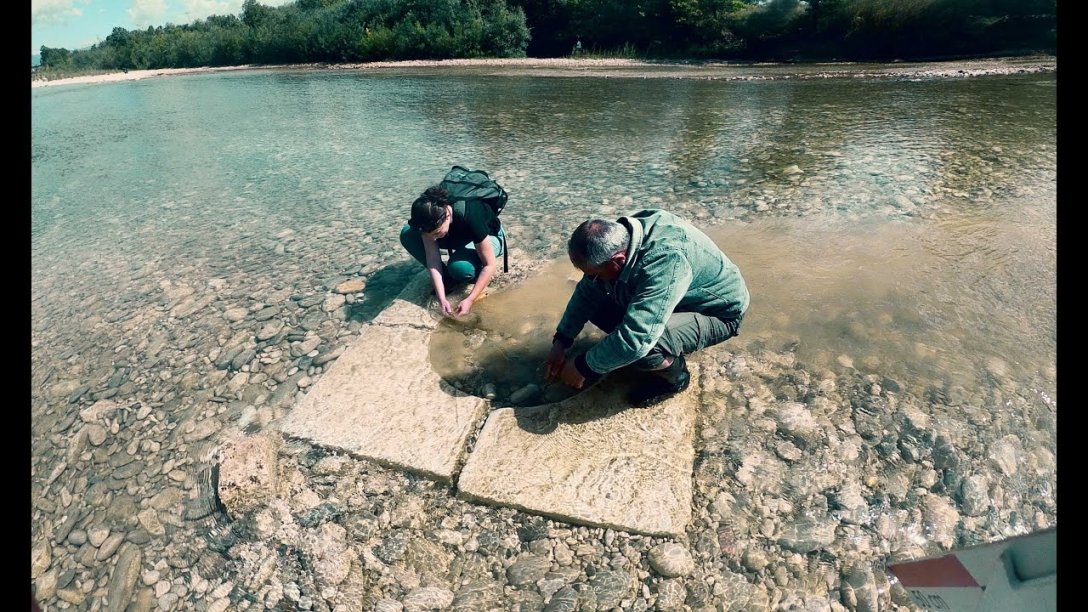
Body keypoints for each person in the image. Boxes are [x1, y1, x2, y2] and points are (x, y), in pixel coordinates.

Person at [544, 209, 749, 407]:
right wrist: (562, 340)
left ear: (618, 261)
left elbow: (638, 339)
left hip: (719, 313)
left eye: (594, 274)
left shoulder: (666, 259)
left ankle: (675, 380)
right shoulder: (623, 235)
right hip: (680, 296)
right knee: (598, 306)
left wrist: (584, 367)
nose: (590, 279)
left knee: (647, 346)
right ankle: (665, 345)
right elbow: (587, 292)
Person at [400, 185, 505, 316]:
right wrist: (441, 298)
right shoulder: (427, 217)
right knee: (407, 233)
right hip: (458, 235)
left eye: (437, 233)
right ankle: (447, 277)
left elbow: (490, 265)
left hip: (490, 235)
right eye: (430, 235)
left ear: (448, 214)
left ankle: (466, 272)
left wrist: (470, 299)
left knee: (459, 268)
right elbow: (433, 260)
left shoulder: (471, 213)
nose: (433, 238)